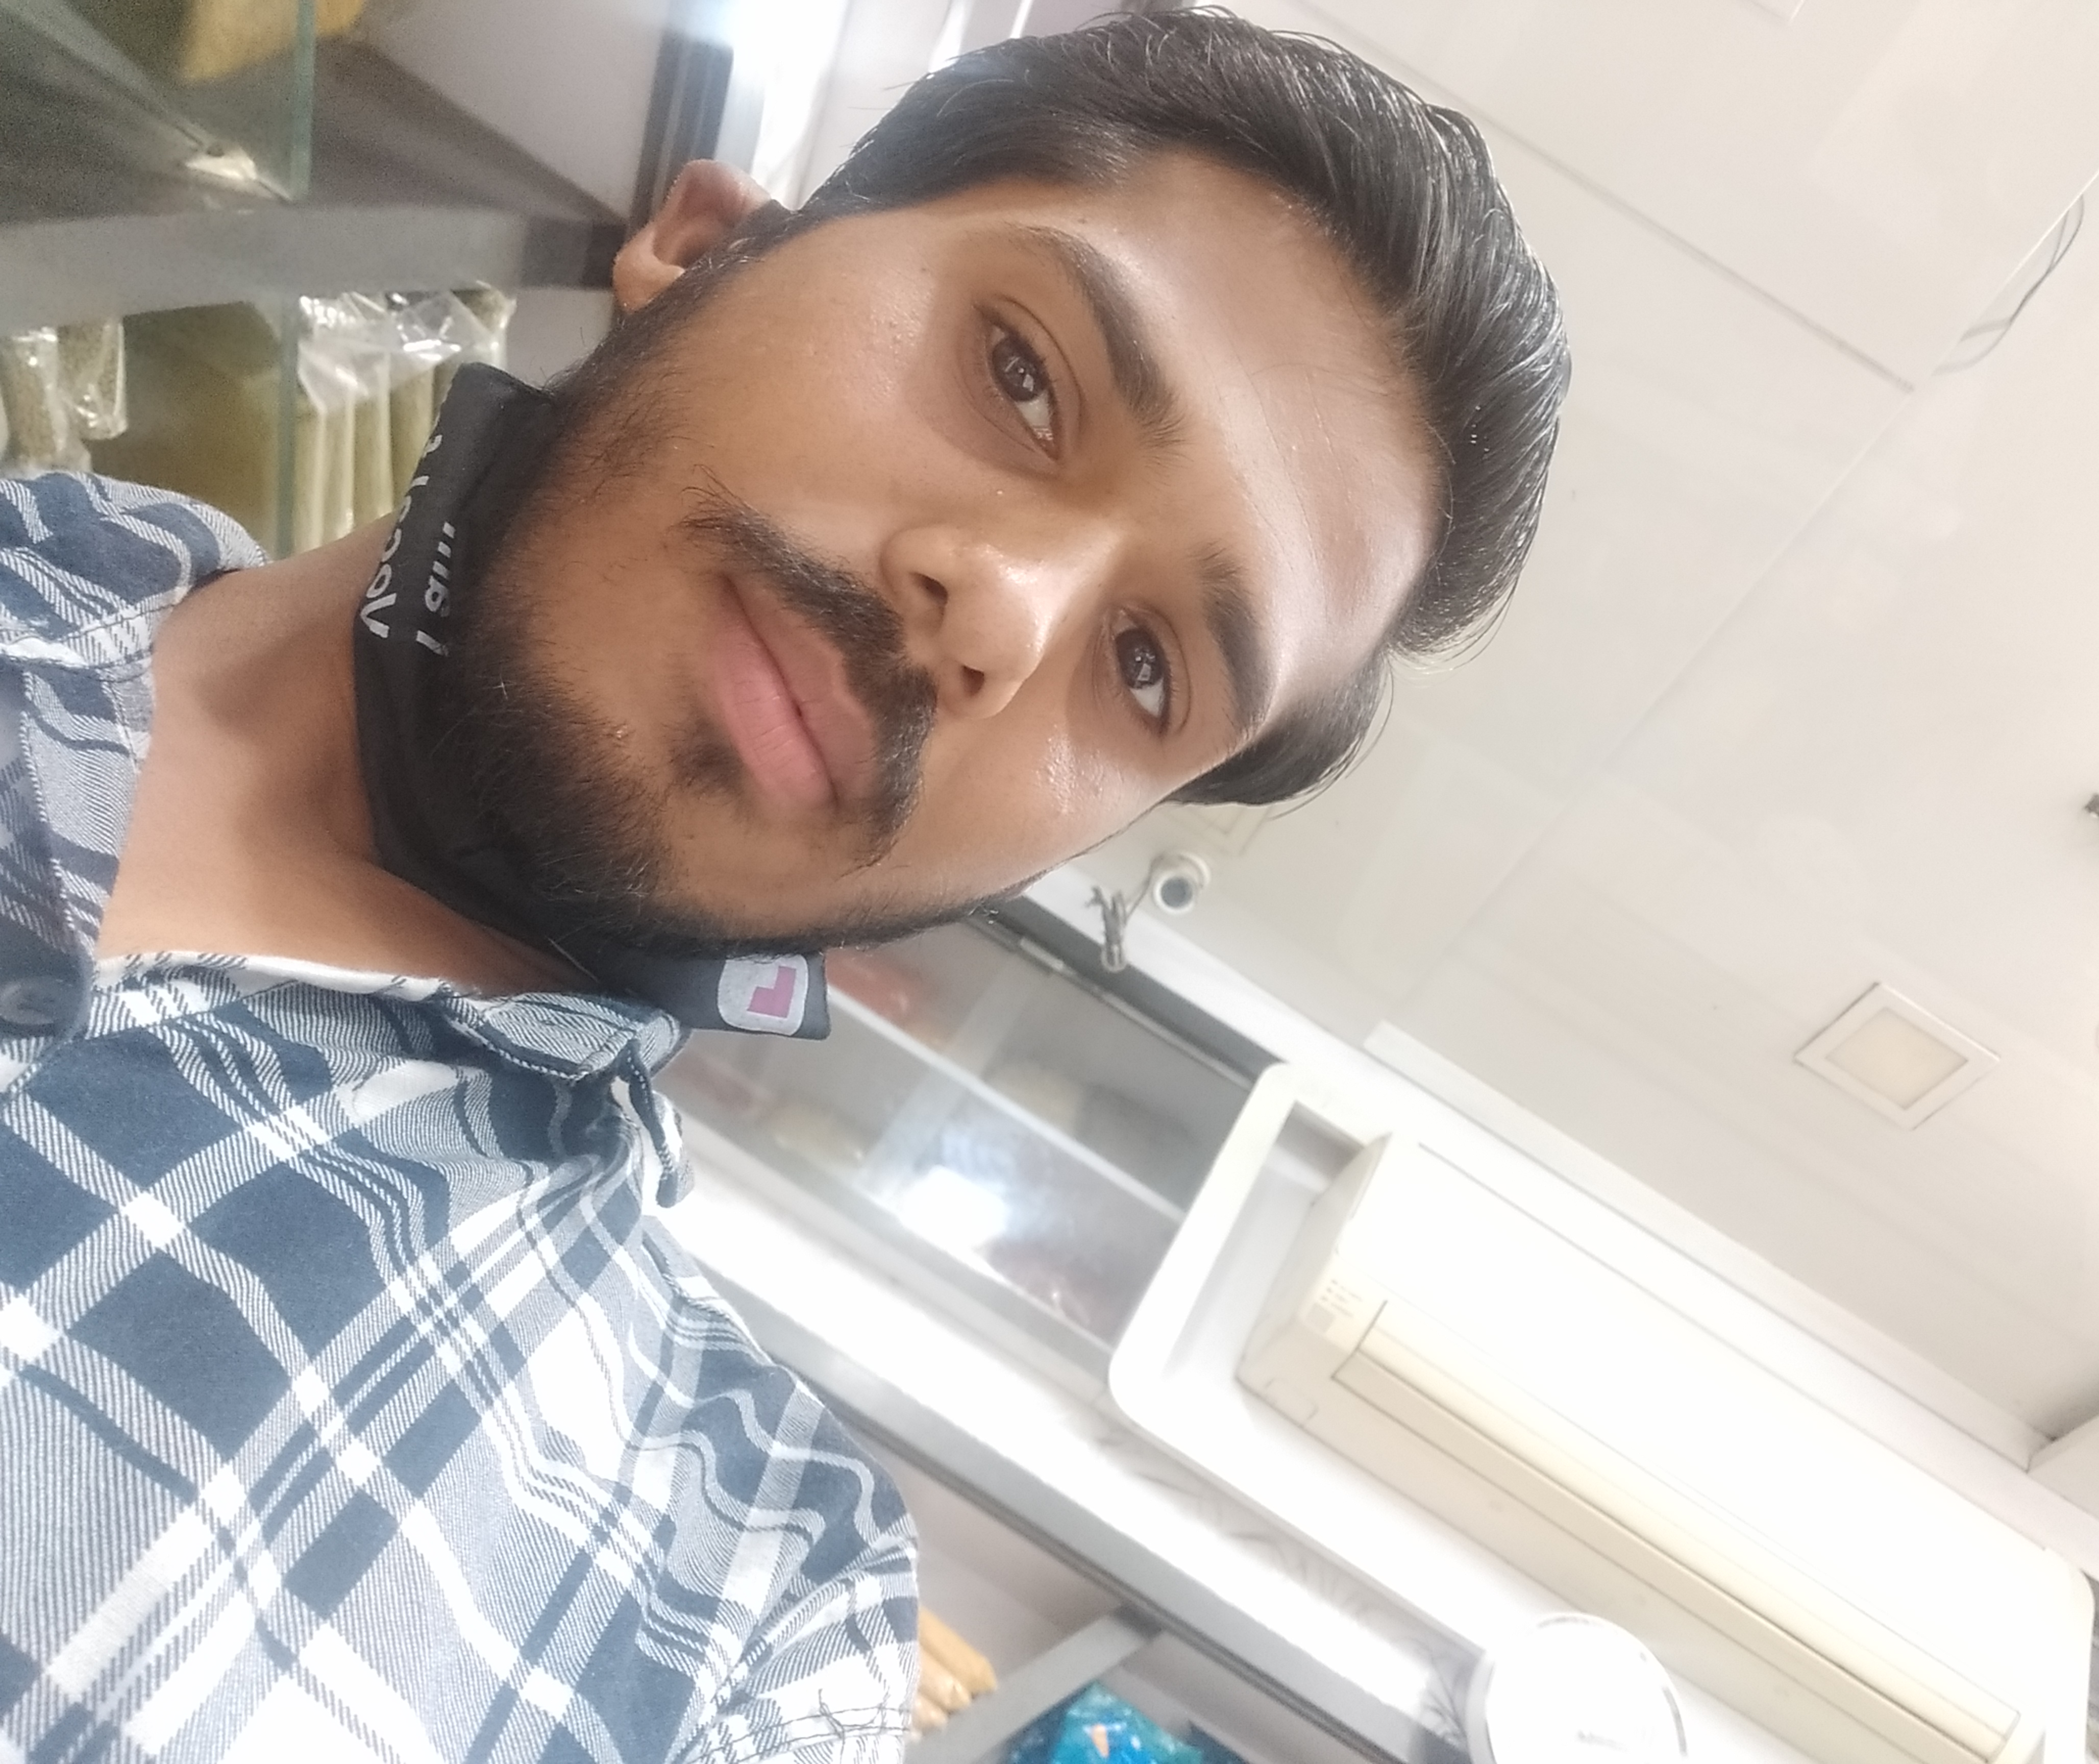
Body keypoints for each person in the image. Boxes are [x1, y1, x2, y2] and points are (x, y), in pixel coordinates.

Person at [0, 9, 1566, 1762]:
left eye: (1144, 670)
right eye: (1025, 375)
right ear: (703, 245)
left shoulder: (734, 1621)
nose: (1006, 616)